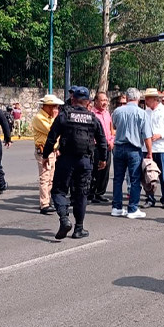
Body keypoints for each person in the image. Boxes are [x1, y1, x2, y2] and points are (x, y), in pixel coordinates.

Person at [42, 87, 107, 239]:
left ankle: (64, 219)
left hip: (66, 159)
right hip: (85, 161)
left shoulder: (64, 115)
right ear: (88, 102)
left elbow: (52, 137)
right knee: (81, 194)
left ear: (73, 99)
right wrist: (103, 159)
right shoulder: (92, 118)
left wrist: (46, 155)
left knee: (58, 191)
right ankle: (79, 229)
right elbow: (102, 140)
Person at [111, 87, 153, 219]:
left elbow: (114, 127)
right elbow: (147, 136)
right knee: (135, 179)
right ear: (138, 98)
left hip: (118, 147)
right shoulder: (142, 113)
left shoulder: (117, 112)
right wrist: (150, 152)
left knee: (118, 178)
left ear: (127, 98)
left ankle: (116, 207)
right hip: (134, 149)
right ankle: (133, 208)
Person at [142, 88, 164, 209]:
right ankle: (150, 198)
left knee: (163, 174)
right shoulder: (145, 112)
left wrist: (160, 135)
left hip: (161, 148)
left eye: (148, 98)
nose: (145, 101)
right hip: (147, 147)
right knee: (148, 175)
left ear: (155, 99)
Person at [33, 94, 63, 214]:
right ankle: (44, 204)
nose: (55, 109)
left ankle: (47, 200)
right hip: (43, 151)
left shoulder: (49, 117)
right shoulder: (39, 118)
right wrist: (56, 118)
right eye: (54, 107)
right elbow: (52, 131)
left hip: (52, 151)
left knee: (51, 178)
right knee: (45, 177)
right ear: (47, 106)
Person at [89, 91, 115, 204]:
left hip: (108, 145)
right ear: (96, 101)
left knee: (105, 171)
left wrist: (112, 141)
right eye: (102, 100)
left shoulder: (107, 113)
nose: (104, 103)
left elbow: (111, 130)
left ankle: (100, 193)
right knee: (95, 170)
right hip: (96, 145)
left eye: (105, 100)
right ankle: (90, 193)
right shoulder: (91, 114)